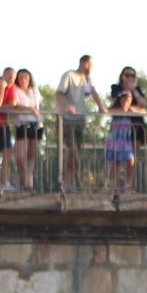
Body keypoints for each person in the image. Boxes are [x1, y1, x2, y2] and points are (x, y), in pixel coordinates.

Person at [56, 54, 101, 192]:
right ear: (84, 63)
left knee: (76, 153)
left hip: (80, 120)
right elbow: (58, 93)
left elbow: (92, 92)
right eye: (90, 65)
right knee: (71, 152)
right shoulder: (69, 75)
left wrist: (101, 105)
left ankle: (70, 183)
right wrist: (67, 107)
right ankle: (74, 180)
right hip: (68, 119)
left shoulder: (86, 79)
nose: (91, 68)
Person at [105, 66, 147, 192]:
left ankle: (128, 185)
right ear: (122, 76)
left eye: (132, 75)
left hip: (136, 128)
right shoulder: (116, 88)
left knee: (131, 158)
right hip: (119, 127)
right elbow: (119, 105)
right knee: (116, 158)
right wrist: (127, 96)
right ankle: (113, 185)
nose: (129, 77)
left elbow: (144, 106)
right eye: (127, 75)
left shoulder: (137, 90)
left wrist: (133, 91)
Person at [7, 67, 42, 191]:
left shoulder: (34, 91)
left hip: (36, 124)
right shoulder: (15, 90)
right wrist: (30, 109)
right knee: (20, 156)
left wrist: (35, 111)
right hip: (22, 124)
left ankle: (28, 182)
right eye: (20, 77)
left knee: (32, 155)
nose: (23, 80)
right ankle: (24, 180)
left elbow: (38, 106)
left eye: (26, 77)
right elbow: (16, 105)